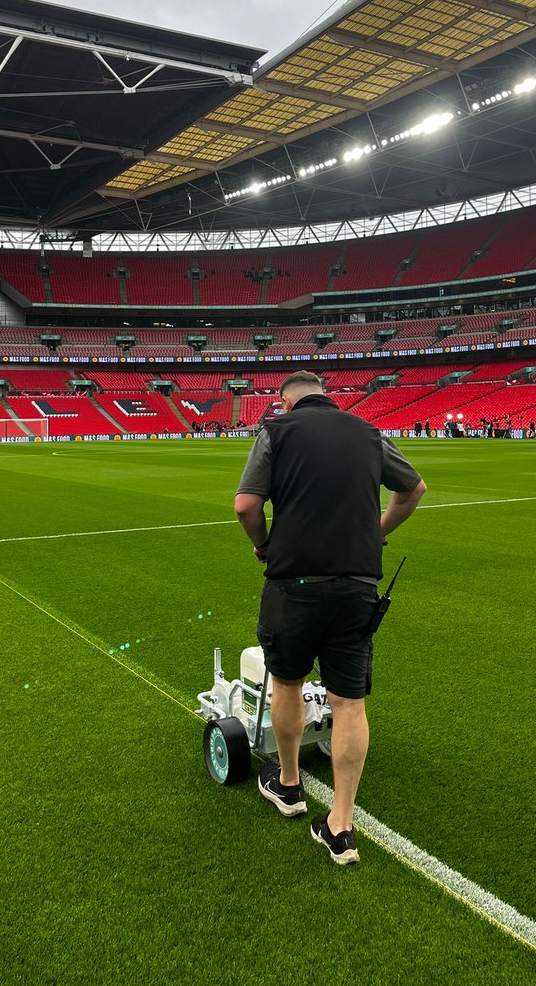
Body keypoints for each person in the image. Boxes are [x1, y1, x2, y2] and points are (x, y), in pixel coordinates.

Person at [235, 371, 426, 865]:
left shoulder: (275, 432)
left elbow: (245, 506)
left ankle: (291, 785)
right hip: (357, 585)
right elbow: (413, 490)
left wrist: (263, 546)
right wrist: (376, 534)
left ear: (285, 401)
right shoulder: (368, 432)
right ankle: (341, 826)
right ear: (327, 395)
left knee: (288, 682)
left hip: (294, 583)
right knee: (349, 702)